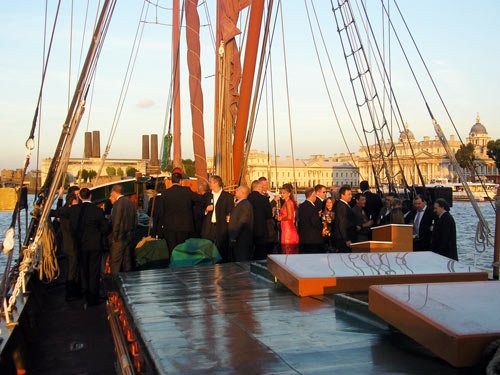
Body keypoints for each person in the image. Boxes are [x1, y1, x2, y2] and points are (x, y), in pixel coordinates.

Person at [70, 188, 109, 307]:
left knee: (84, 271)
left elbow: (60, 213)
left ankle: (85, 296)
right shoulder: (97, 210)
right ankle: (93, 298)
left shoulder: (74, 210)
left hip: (81, 245)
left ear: (80, 197)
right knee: (94, 272)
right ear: (90, 196)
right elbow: (105, 228)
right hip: (95, 245)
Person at [159, 173, 202, 254]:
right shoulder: (186, 191)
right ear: (181, 181)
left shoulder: (165, 193)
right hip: (185, 227)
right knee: (185, 252)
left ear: (171, 181)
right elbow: (199, 199)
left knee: (172, 251)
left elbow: (161, 211)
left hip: (170, 228)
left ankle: (173, 264)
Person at [52, 192, 81, 301]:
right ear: (73, 201)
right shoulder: (71, 211)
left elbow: (55, 211)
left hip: (66, 245)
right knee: (73, 270)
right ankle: (70, 294)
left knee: (71, 269)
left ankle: (73, 292)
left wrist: (59, 197)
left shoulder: (64, 211)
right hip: (73, 246)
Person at [201, 175, 234, 262]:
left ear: (216, 183)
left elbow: (230, 213)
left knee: (221, 249)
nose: (209, 184)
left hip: (221, 227)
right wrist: (206, 210)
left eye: (211, 182)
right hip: (209, 227)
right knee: (207, 249)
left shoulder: (228, 197)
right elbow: (199, 210)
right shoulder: (206, 196)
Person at [109, 184, 137, 274]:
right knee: (127, 262)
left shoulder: (118, 204)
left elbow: (116, 221)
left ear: (114, 192)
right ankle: (128, 282)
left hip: (119, 238)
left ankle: (115, 283)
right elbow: (135, 220)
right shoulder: (130, 203)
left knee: (115, 263)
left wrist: (115, 236)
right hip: (129, 237)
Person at [247, 180, 273, 260]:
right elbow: (269, 215)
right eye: (262, 187)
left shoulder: (247, 198)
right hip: (261, 229)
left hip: (249, 229)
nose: (263, 189)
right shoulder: (264, 199)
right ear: (258, 187)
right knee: (260, 253)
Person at [228, 186, 254, 261]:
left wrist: (234, 236)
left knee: (241, 261)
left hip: (241, 240)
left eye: (237, 190)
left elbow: (242, 221)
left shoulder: (245, 204)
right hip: (239, 240)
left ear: (242, 193)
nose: (235, 191)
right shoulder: (241, 204)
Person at [298, 187, 323, 254]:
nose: (316, 197)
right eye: (315, 195)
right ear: (312, 195)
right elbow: (315, 223)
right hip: (313, 238)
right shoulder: (313, 208)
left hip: (303, 236)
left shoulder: (301, 206)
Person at [275, 184, 299, 254]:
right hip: (286, 227)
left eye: (284, 193)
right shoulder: (287, 202)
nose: (282, 195)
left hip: (288, 228)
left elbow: (289, 216)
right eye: (281, 193)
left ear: (288, 194)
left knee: (287, 249)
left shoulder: (288, 203)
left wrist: (280, 218)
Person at [333, 185, 357, 253]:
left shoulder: (344, 205)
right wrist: (347, 239)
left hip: (345, 237)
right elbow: (342, 224)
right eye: (349, 194)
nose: (351, 196)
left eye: (351, 194)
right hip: (343, 239)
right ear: (342, 195)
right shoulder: (342, 206)